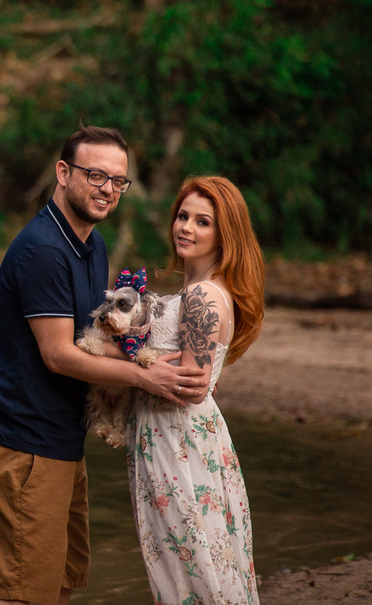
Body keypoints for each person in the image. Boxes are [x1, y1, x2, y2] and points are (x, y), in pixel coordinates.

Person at [0, 126, 209, 605]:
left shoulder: (92, 245)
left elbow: (97, 341)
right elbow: (59, 354)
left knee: (59, 586)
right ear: (63, 173)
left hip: (60, 447)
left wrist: (164, 361)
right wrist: (145, 376)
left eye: (118, 181)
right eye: (96, 175)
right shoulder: (43, 250)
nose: (107, 189)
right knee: (22, 596)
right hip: (23, 449)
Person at [127, 176, 265, 604]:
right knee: (198, 561)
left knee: (191, 569)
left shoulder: (203, 295)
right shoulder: (200, 290)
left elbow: (189, 386)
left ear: (225, 235)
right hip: (180, 437)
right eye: (182, 216)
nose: (186, 227)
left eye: (202, 222)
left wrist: (122, 361)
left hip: (178, 442)